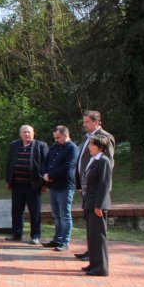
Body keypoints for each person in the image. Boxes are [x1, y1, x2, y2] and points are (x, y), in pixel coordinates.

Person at [74, 111, 115, 262]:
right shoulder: (87, 138)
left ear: (96, 122)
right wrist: (81, 183)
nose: (84, 124)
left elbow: (107, 164)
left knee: (96, 226)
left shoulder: (104, 137)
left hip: (96, 190)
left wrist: (101, 197)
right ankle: (91, 252)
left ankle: (96, 256)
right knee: (90, 224)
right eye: (84, 122)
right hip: (87, 187)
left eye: (87, 122)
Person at [5, 125, 48, 245]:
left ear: (33, 133)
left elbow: (45, 165)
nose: (27, 134)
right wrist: (9, 181)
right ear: (20, 134)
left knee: (35, 212)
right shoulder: (14, 145)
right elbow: (9, 163)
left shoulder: (41, 146)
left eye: (29, 132)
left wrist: (44, 184)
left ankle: (35, 236)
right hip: (17, 184)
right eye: (24, 132)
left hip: (33, 185)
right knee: (17, 210)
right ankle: (16, 234)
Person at [41, 126, 78, 251]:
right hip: (53, 186)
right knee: (56, 214)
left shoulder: (72, 148)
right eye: (55, 138)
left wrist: (51, 175)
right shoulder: (54, 146)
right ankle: (57, 239)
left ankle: (64, 241)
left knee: (64, 215)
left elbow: (68, 166)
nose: (56, 140)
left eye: (58, 137)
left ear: (65, 135)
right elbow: (46, 162)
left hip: (65, 186)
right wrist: (45, 174)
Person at [81, 135, 113, 277]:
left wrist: (99, 205)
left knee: (98, 236)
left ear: (99, 146)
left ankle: (100, 268)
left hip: (96, 204)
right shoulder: (93, 160)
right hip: (89, 202)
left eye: (91, 145)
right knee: (92, 236)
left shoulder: (104, 161)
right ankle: (93, 264)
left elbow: (104, 185)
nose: (88, 147)